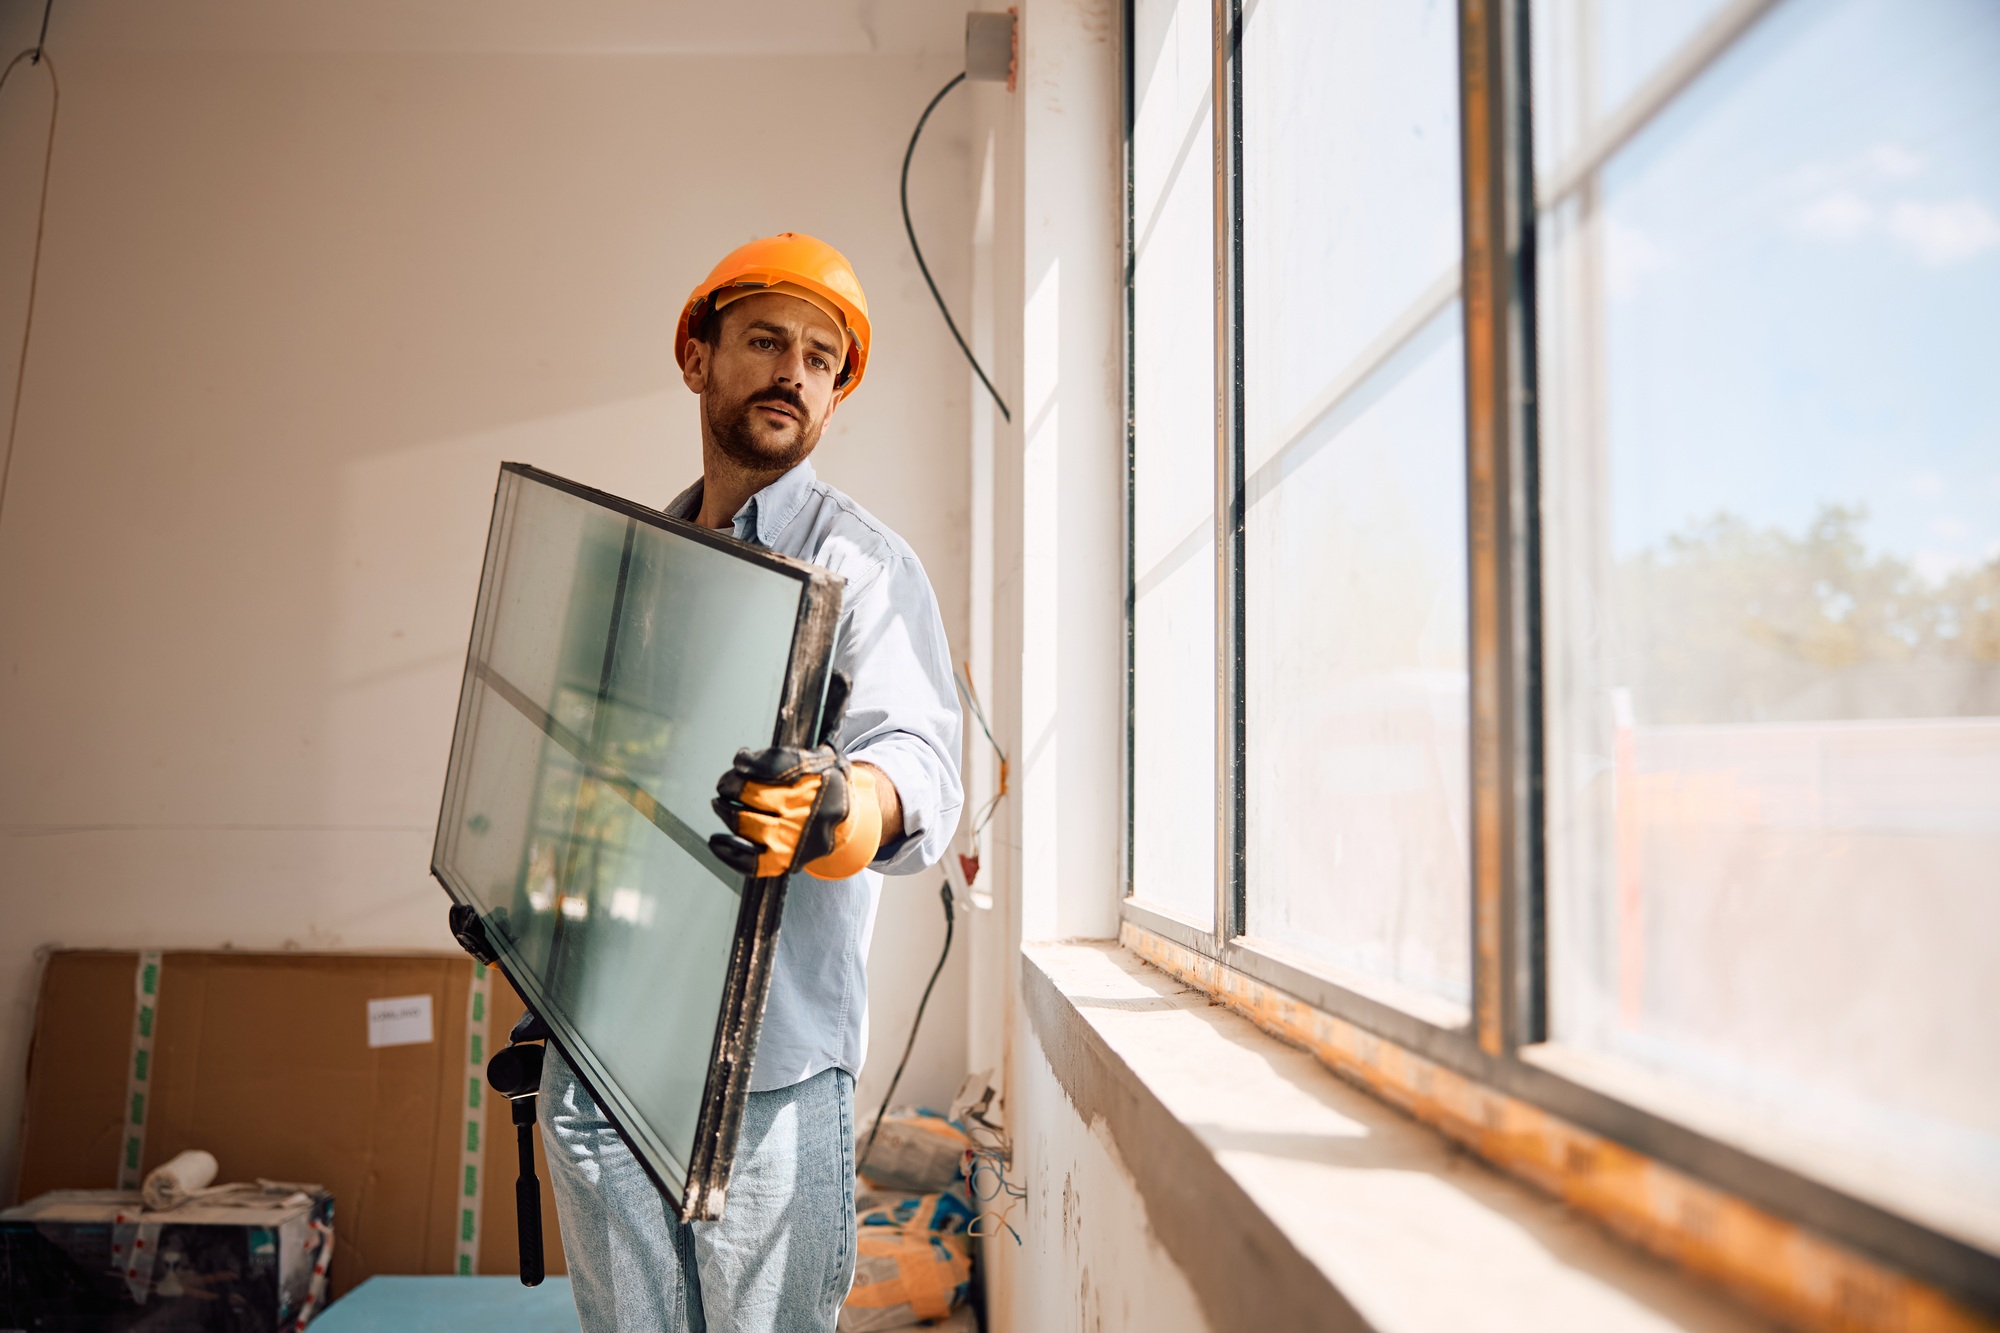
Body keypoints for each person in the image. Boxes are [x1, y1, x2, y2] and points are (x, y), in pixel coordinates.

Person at [537, 233, 964, 1332]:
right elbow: (594, 776)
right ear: (696, 357)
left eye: (822, 358)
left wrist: (841, 807)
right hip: (607, 1049)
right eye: (767, 340)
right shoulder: (640, 562)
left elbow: (919, 763)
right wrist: (526, 901)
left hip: (763, 1071)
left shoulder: (861, 565)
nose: (793, 370)